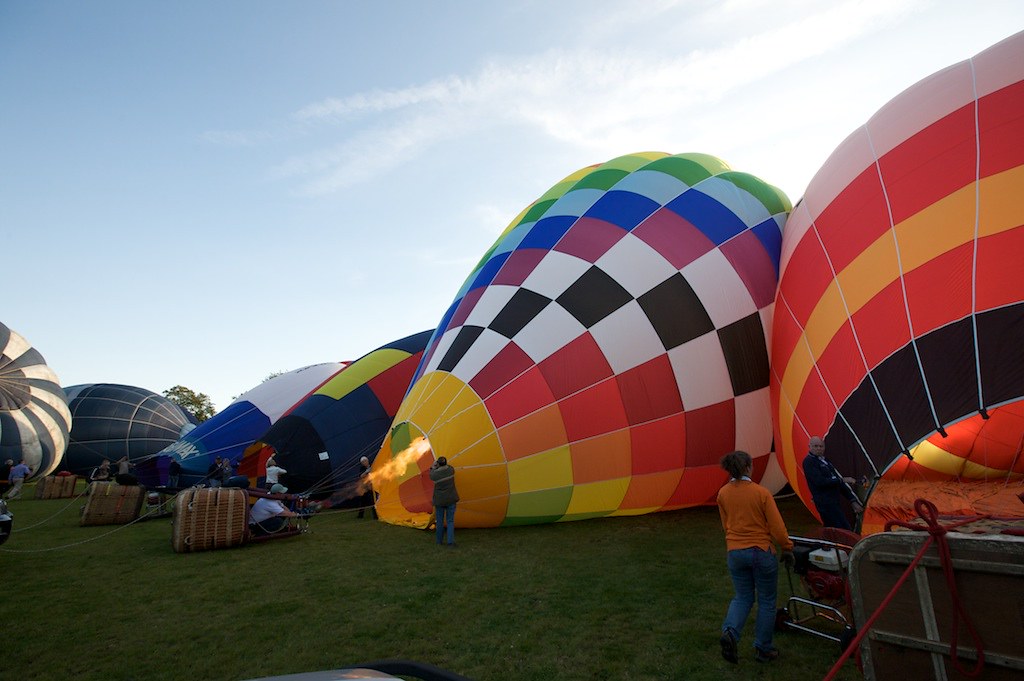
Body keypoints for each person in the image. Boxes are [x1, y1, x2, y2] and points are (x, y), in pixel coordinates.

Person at [717, 450, 794, 665]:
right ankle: (763, 648)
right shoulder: (761, 493)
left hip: (735, 552)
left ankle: (730, 632)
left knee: (742, 597)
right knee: (767, 601)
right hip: (760, 551)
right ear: (748, 467)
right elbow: (777, 527)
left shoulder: (723, 493)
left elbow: (726, 525)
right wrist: (787, 547)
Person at [802, 436, 863, 530]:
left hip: (834, 502)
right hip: (825, 504)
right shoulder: (809, 462)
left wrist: (852, 500)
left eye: (821, 446)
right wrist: (841, 480)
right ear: (809, 447)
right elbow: (819, 481)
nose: (818, 448)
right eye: (815, 446)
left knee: (840, 529)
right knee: (841, 529)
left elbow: (838, 482)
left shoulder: (825, 461)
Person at [429, 456, 459, 547]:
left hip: (440, 501)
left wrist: (433, 466)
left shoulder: (435, 475)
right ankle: (450, 542)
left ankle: (439, 541)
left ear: (438, 464)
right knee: (450, 521)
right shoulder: (450, 470)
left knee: (440, 522)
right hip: (451, 499)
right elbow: (449, 466)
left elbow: (431, 474)